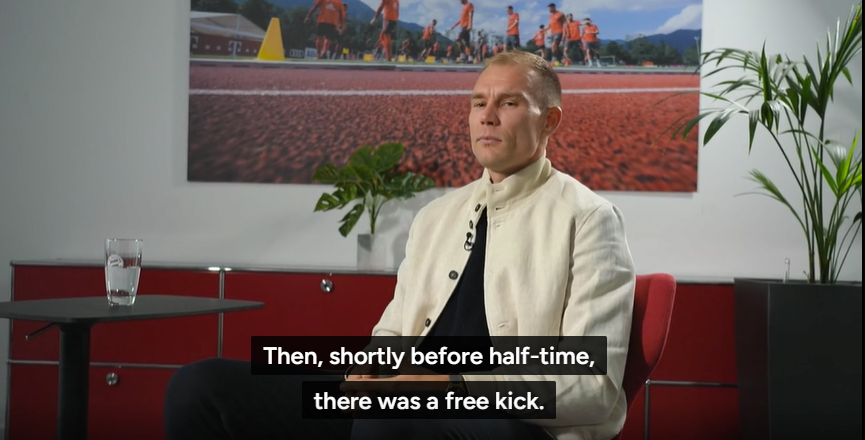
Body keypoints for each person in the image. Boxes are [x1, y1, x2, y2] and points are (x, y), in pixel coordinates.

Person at [163, 50, 636, 440]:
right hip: (402, 404)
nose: (487, 116)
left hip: (513, 422)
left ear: (549, 121)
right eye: (478, 103)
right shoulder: (436, 217)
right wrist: (369, 371)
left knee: (393, 419)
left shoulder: (588, 219)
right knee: (201, 386)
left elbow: (590, 386)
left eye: (508, 103)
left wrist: (448, 384)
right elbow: (393, 331)